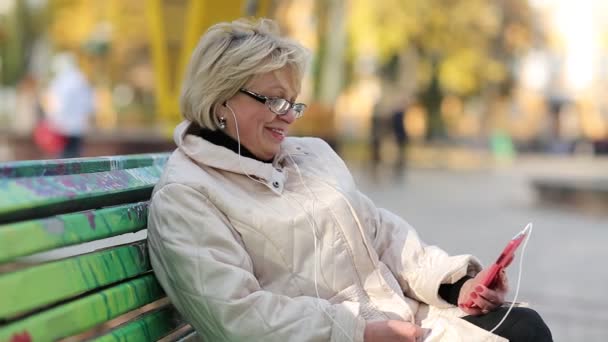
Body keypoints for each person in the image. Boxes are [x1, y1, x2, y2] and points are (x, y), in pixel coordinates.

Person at [147, 18, 552, 342]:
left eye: (293, 101)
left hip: (394, 320)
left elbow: (381, 234)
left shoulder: (312, 155)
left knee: (526, 327)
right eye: (273, 100)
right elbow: (236, 315)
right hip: (349, 334)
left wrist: (455, 286)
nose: (288, 115)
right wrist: (358, 333)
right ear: (220, 100)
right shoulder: (187, 196)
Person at [44, 52, 95, 158]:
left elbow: (56, 104)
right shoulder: (81, 79)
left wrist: (52, 119)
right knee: (75, 156)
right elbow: (89, 103)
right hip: (78, 126)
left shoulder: (60, 81)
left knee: (63, 159)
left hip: (62, 126)